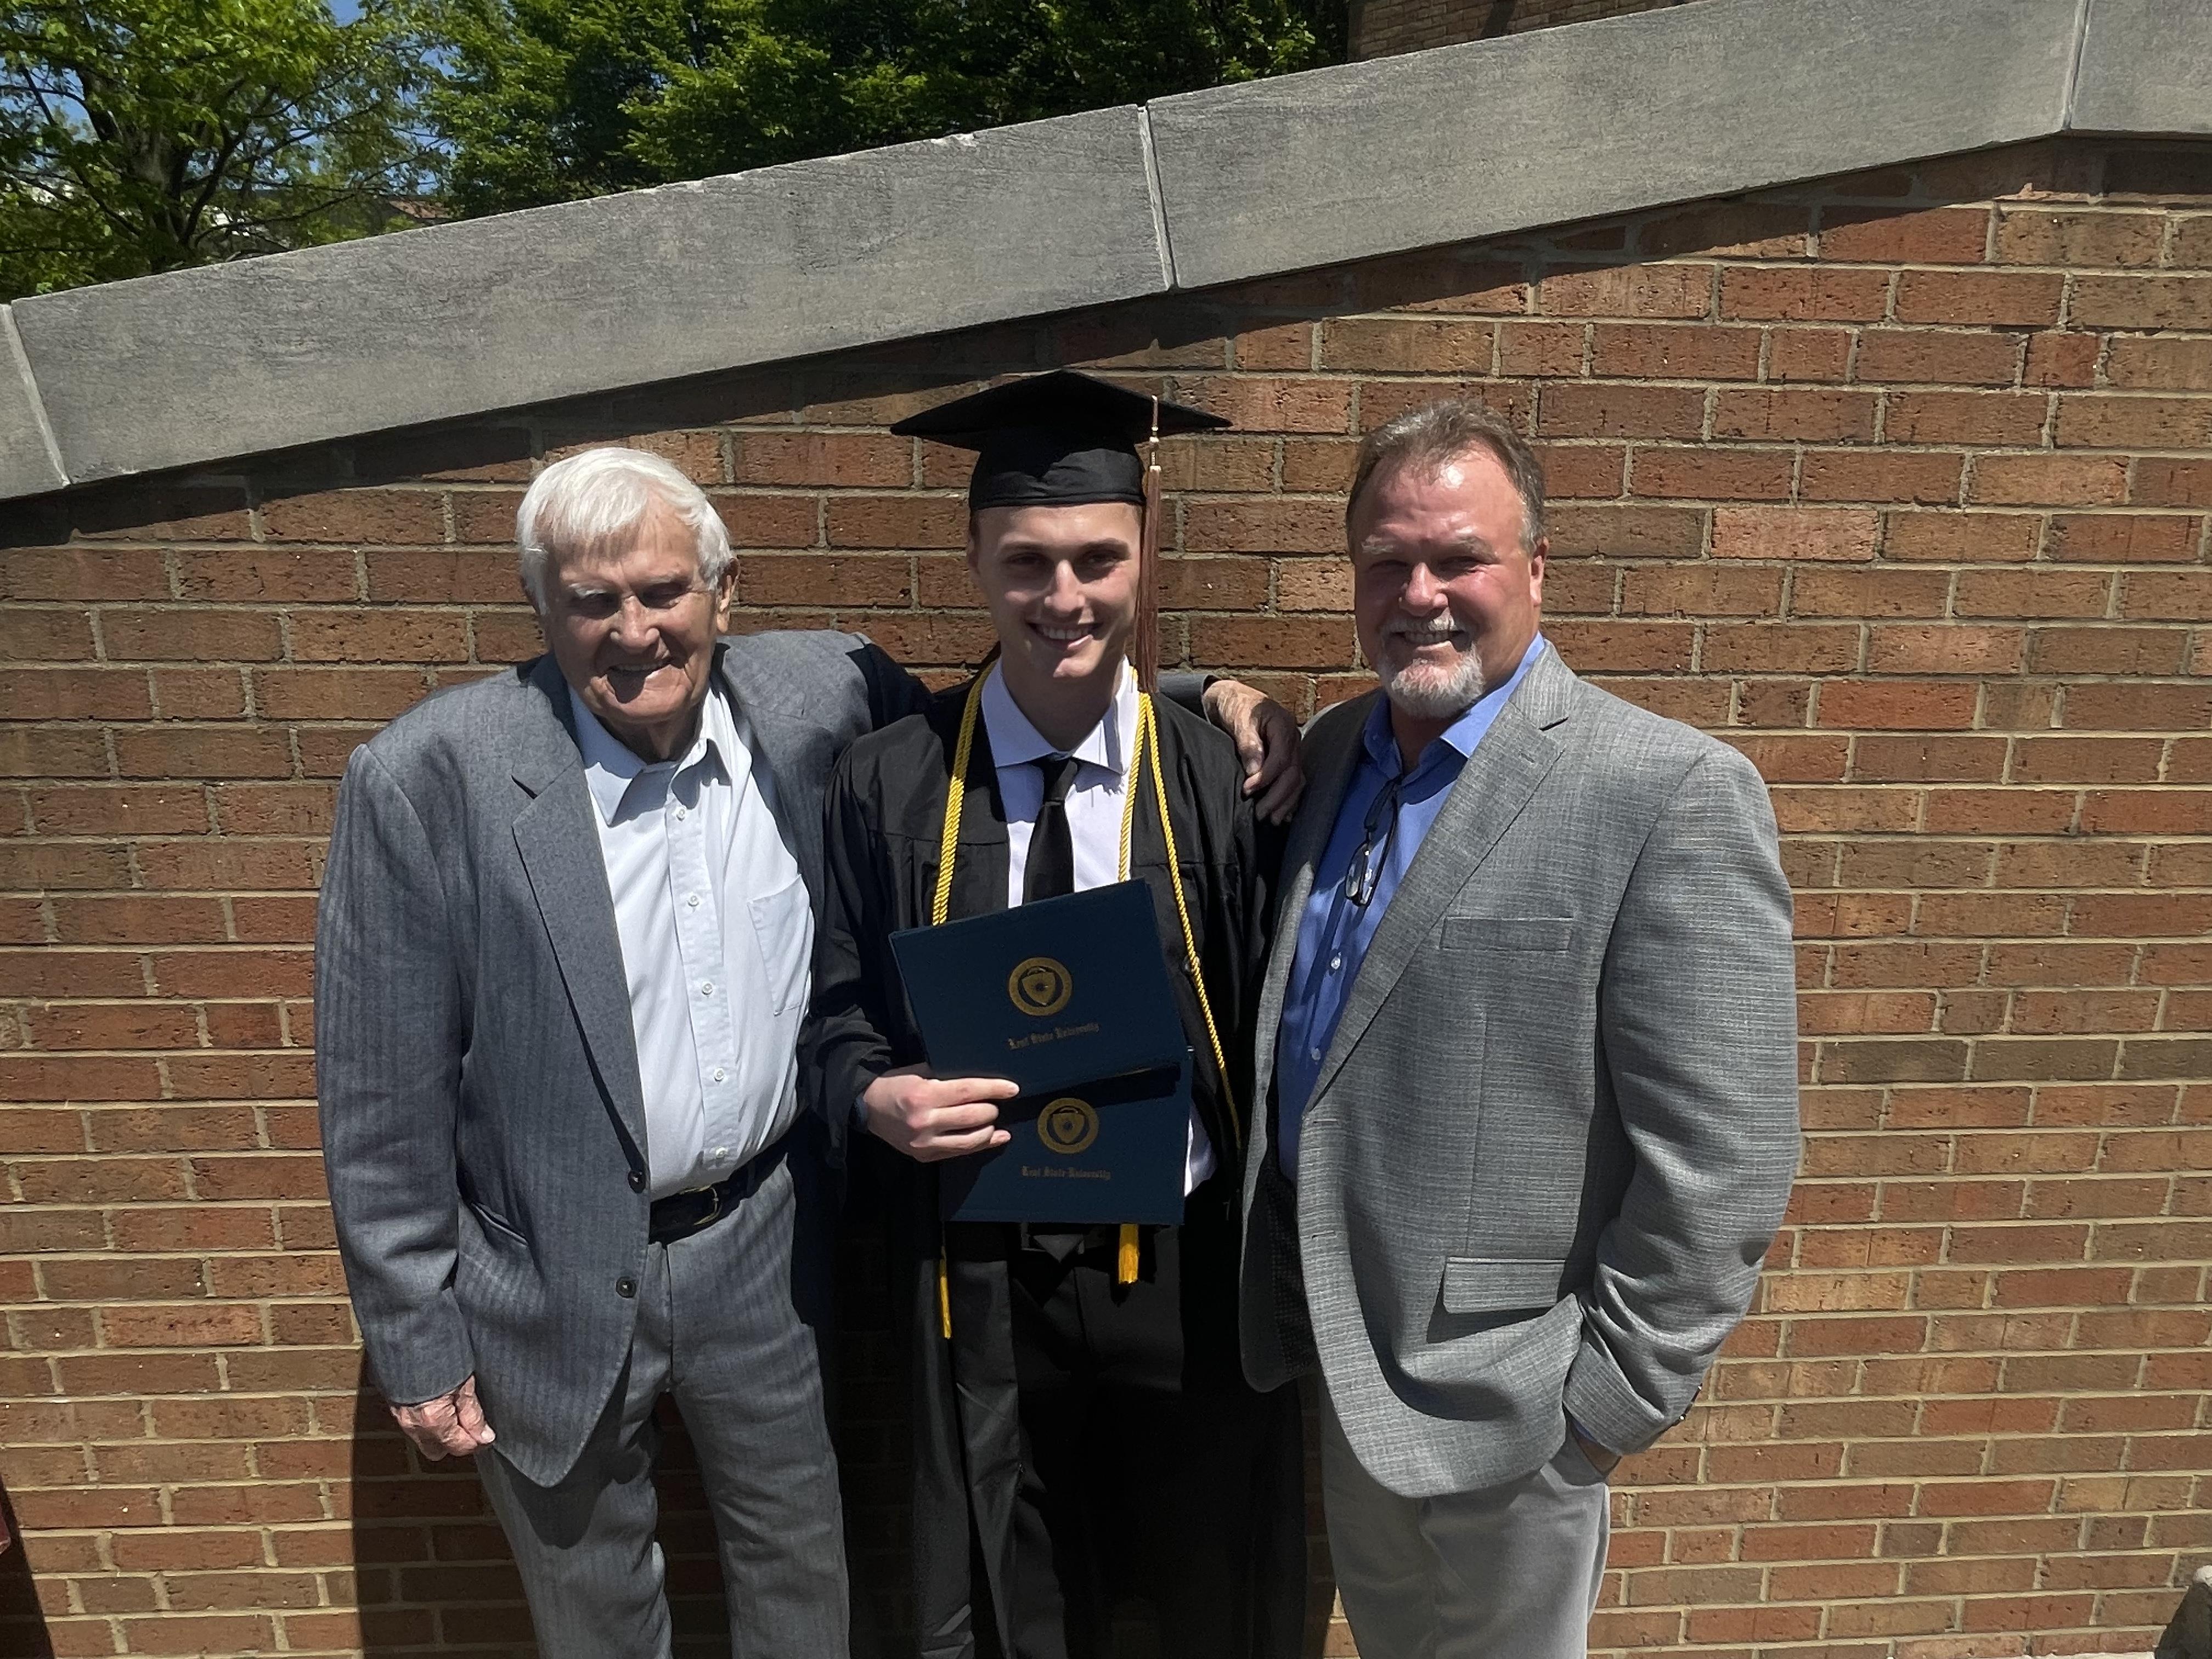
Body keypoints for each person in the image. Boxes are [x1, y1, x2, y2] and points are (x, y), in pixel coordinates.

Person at [313, 441, 1300, 1659]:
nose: (635, 632)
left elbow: (1051, 672)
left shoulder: (819, 696)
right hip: (550, 1271)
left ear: (724, 596)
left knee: (804, 1591)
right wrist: (416, 1332)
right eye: (591, 599)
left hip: (764, 1256)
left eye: (665, 591)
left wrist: (1205, 693)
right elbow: (377, 1089)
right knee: (591, 1615)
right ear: (542, 608)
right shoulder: (428, 778)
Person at [1237, 399, 1801, 1659]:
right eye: (1388, 561)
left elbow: (1727, 1157)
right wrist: (1220, 687)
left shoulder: (1666, 792)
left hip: (1517, 1404)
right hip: (1341, 1361)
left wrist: (1606, 1404)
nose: (1421, 593)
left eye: (1459, 559)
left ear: (1535, 569)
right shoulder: (1330, 753)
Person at [804, 371, 1305, 1659]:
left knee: (1201, 1580)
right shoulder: (891, 779)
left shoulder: (1219, 773)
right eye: (1027, 561)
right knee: (1017, 1584)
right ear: (975, 557)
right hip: (985, 1272)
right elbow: (834, 1007)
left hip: (1183, 1272)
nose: (1064, 596)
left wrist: (1225, 691)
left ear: (1145, 554)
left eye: (1097, 558)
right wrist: (873, 1093)